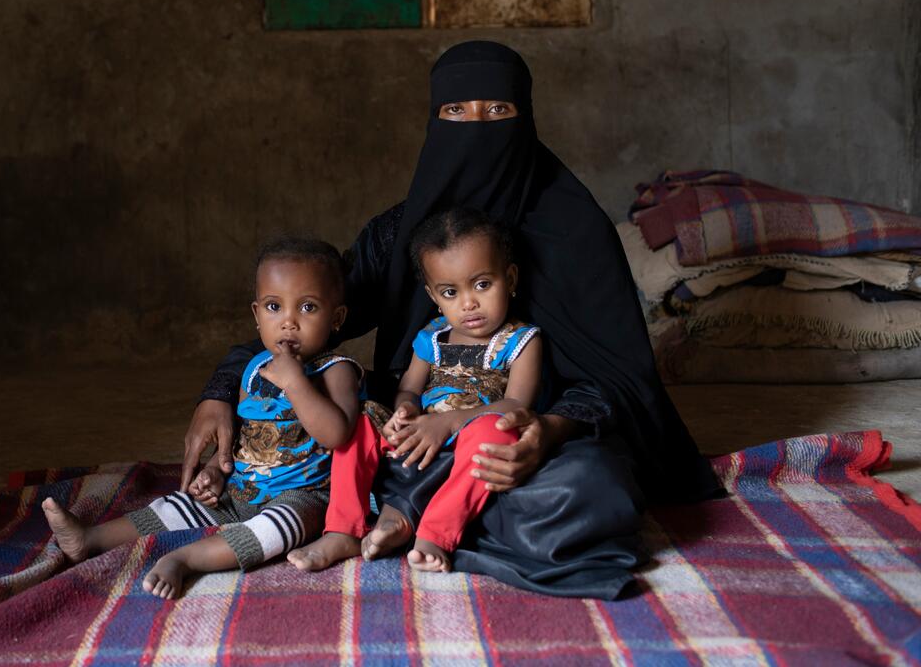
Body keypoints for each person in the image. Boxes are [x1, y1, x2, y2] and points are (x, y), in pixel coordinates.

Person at [183, 41, 720, 599]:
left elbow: (621, 380)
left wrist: (546, 432)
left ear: (525, 117)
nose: (476, 126)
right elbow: (311, 321)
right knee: (345, 444)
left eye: (497, 111)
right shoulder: (400, 235)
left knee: (590, 489)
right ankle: (395, 516)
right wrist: (222, 387)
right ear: (434, 120)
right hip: (412, 436)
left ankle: (412, 518)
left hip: (525, 440)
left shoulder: (575, 232)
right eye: (456, 112)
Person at [42, 237, 362, 599]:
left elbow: (337, 434)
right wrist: (215, 468)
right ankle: (90, 538)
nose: (289, 323)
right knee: (177, 507)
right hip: (242, 489)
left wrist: (295, 382)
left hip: (303, 494)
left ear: (336, 318)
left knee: (279, 529)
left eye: (307, 308)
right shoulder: (256, 369)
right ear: (257, 316)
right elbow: (244, 434)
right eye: (274, 306)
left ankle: (188, 559)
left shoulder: (337, 371)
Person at [289, 207, 543, 574]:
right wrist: (404, 412)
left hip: (470, 433)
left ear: (511, 278)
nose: (468, 303)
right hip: (421, 433)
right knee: (359, 425)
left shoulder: (521, 341)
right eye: (450, 292)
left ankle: (438, 532)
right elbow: (408, 389)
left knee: (498, 433)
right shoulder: (431, 337)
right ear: (434, 297)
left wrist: (452, 423)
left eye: (482, 285)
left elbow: (517, 403)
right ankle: (343, 528)